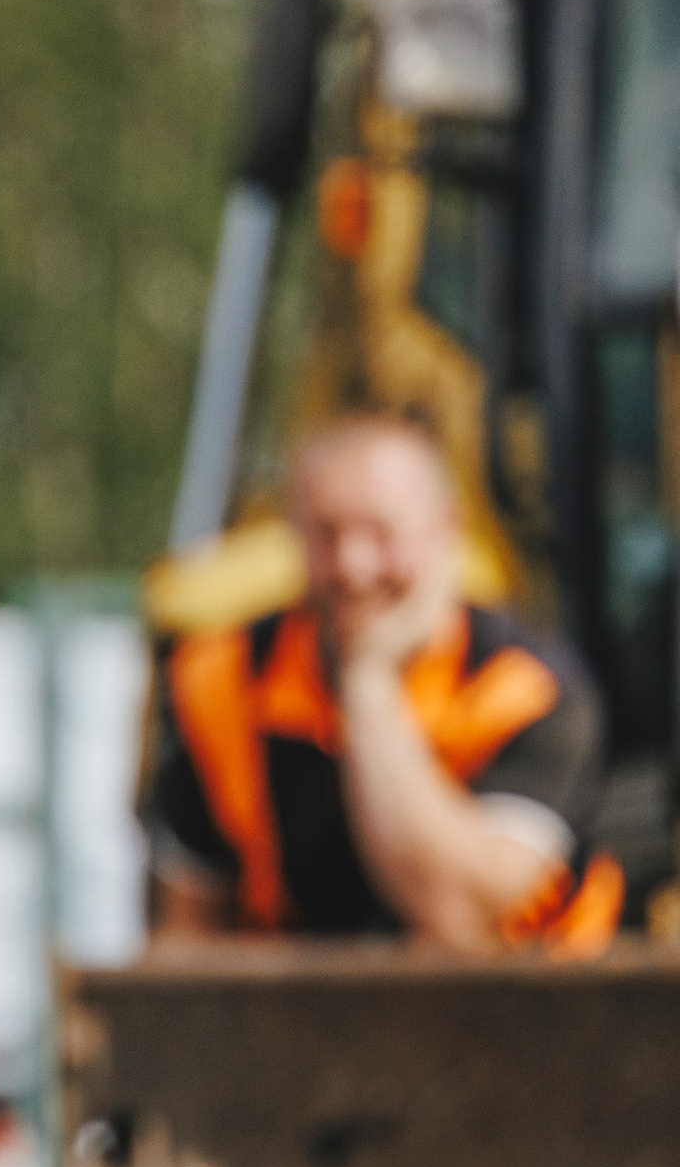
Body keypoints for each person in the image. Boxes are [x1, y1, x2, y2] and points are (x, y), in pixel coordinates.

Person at [145, 407, 619, 950]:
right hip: (310, 1019)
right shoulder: (217, 676)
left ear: (448, 534)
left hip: (540, 1017)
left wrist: (368, 682)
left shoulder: (530, 692)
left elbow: (455, 913)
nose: (353, 564)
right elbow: (193, 935)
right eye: (326, 533)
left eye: (381, 532)